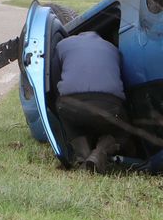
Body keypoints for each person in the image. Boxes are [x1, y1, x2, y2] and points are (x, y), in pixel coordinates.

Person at [54, 31, 128, 173]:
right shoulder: (113, 49)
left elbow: (55, 77)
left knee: (69, 119)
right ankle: (99, 152)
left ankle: (83, 156)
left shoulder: (62, 45)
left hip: (70, 104)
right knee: (123, 129)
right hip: (108, 105)